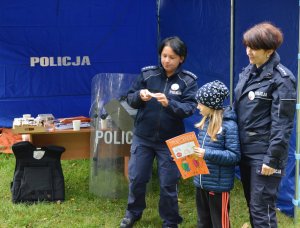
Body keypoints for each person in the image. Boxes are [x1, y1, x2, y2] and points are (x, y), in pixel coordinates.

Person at [119, 36, 198, 228]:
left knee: (168, 184)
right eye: (164, 56)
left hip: (172, 141)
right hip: (143, 138)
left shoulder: (188, 81)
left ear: (181, 58)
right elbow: (128, 98)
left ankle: (170, 221)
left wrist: (169, 103)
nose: (167, 60)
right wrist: (139, 95)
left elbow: (190, 108)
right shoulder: (148, 75)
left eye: (172, 57)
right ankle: (133, 213)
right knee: (137, 178)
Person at [234, 22, 297, 227]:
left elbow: (283, 124)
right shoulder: (248, 71)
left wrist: (272, 159)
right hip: (245, 150)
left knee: (262, 210)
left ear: (269, 51)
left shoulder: (283, 80)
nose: (248, 52)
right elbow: (237, 107)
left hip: (265, 155)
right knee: (253, 206)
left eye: (254, 48)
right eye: (247, 46)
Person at [193, 80, 241, 228]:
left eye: (200, 103)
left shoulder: (229, 126)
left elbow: (234, 156)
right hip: (201, 184)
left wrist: (207, 153)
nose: (197, 106)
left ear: (211, 104)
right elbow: (200, 152)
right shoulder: (205, 122)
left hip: (218, 187)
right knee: (203, 222)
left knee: (220, 223)